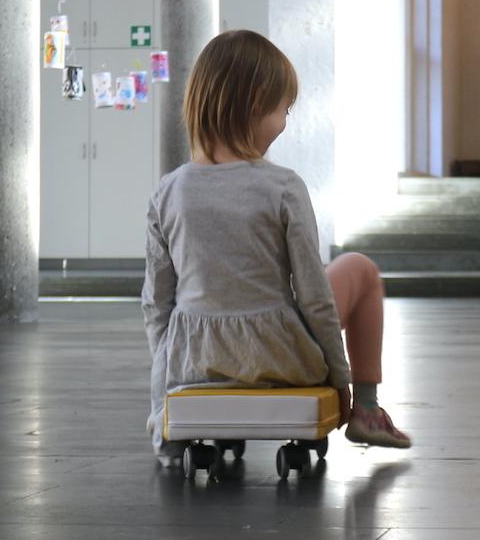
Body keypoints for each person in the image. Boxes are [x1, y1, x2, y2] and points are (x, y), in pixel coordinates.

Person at [143, 29, 412, 456]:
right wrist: (340, 380)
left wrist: (168, 381)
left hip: (191, 359)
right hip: (275, 356)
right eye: (285, 109)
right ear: (258, 102)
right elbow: (315, 298)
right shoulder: (283, 187)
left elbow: (157, 303)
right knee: (358, 268)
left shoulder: (168, 191)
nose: (285, 123)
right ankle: (368, 409)